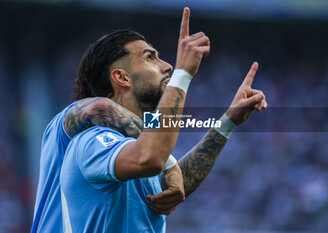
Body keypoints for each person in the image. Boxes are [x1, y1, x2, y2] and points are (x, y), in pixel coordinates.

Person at [59, 7, 267, 233]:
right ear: (121, 77)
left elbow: (168, 187)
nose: (167, 66)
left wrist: (227, 122)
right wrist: (183, 73)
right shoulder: (92, 141)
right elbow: (151, 158)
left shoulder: (132, 147)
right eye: (150, 57)